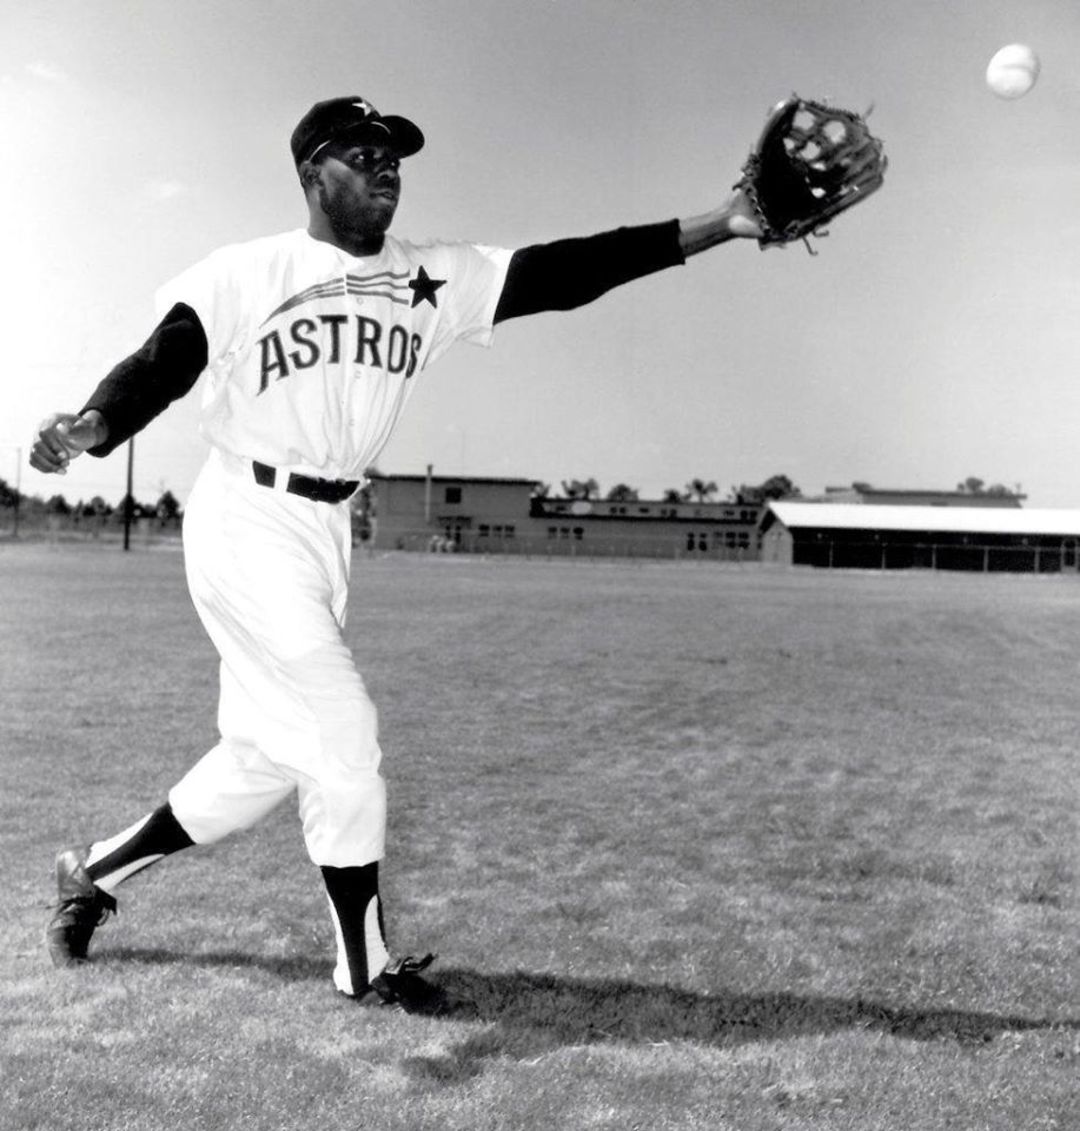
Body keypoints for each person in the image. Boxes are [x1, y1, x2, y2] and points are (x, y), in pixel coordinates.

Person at [30, 94, 767, 1013]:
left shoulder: (429, 278)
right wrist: (96, 424)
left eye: (394, 154)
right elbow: (165, 360)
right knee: (343, 736)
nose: (386, 166)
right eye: (361, 151)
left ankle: (90, 870)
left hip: (326, 532)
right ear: (311, 174)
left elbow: (569, 270)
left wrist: (724, 223)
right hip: (245, 518)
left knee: (263, 756)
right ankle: (363, 967)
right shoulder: (249, 271)